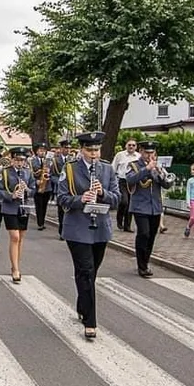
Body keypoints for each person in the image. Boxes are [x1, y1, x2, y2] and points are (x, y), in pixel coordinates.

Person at [57, 131, 120, 339]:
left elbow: (118, 199)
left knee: (89, 274)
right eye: (89, 150)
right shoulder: (70, 169)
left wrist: (102, 193)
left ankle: (82, 304)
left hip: (100, 228)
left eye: (96, 150)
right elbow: (62, 198)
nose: (94, 154)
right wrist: (81, 198)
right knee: (86, 270)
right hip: (77, 228)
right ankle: (90, 322)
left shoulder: (107, 169)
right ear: (81, 150)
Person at [125, 141, 173, 277]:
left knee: (151, 236)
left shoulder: (158, 167)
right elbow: (130, 180)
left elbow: (167, 185)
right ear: (141, 151)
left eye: (152, 153)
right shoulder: (133, 165)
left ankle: (145, 262)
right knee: (144, 234)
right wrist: (146, 169)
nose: (149, 155)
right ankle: (142, 266)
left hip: (155, 207)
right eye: (147, 152)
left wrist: (159, 173)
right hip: (140, 206)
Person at [0, 146, 36, 283]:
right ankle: (15, 269)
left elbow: (34, 190)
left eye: (22, 160)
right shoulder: (5, 172)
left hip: (24, 208)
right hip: (9, 208)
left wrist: (27, 190)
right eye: (17, 160)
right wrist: (12, 195)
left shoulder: (27, 172)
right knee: (15, 237)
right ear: (12, 159)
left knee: (21, 238)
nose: (20, 163)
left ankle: (16, 265)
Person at [111, 138, 140, 232]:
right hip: (122, 181)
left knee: (131, 204)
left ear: (136, 147)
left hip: (134, 182)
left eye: (133, 145)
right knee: (124, 202)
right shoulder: (120, 155)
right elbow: (113, 168)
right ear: (126, 146)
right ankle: (119, 219)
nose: (131, 147)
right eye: (129, 145)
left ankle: (127, 226)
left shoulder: (138, 156)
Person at [29, 142, 54, 231]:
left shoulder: (50, 161)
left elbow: (53, 172)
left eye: (44, 150)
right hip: (37, 186)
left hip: (47, 186)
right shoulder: (32, 161)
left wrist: (48, 174)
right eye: (40, 150)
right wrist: (36, 181)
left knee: (44, 205)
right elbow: (30, 174)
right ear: (36, 151)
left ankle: (42, 220)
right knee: (39, 205)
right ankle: (40, 223)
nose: (42, 152)